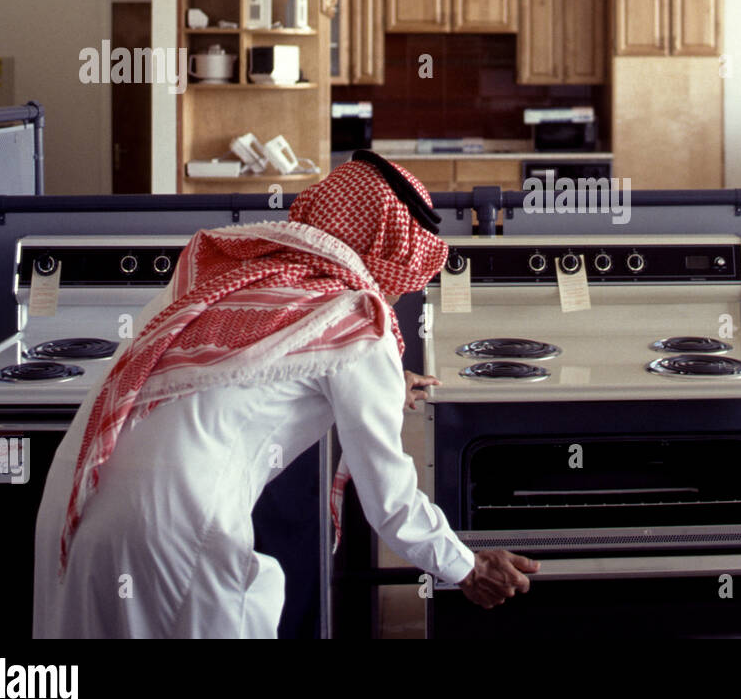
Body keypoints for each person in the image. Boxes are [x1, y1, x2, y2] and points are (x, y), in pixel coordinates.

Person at [32, 155, 538, 637]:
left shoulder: (231, 276)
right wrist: (466, 566)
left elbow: (237, 371)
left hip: (80, 496)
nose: (402, 292)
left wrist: (382, 388)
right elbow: (390, 501)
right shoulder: (357, 318)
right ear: (389, 252)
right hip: (173, 526)